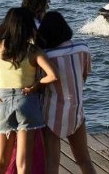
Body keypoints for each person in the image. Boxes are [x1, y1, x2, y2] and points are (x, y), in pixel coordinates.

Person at [0, 7, 58, 174]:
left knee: (0, 162)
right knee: (24, 164)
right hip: (27, 102)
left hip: (3, 102)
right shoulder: (32, 50)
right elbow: (53, 75)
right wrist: (36, 86)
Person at [38, 11, 96, 174]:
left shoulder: (46, 56)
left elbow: (42, 84)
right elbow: (83, 77)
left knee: (51, 164)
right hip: (76, 110)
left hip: (52, 113)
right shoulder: (82, 48)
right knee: (84, 160)